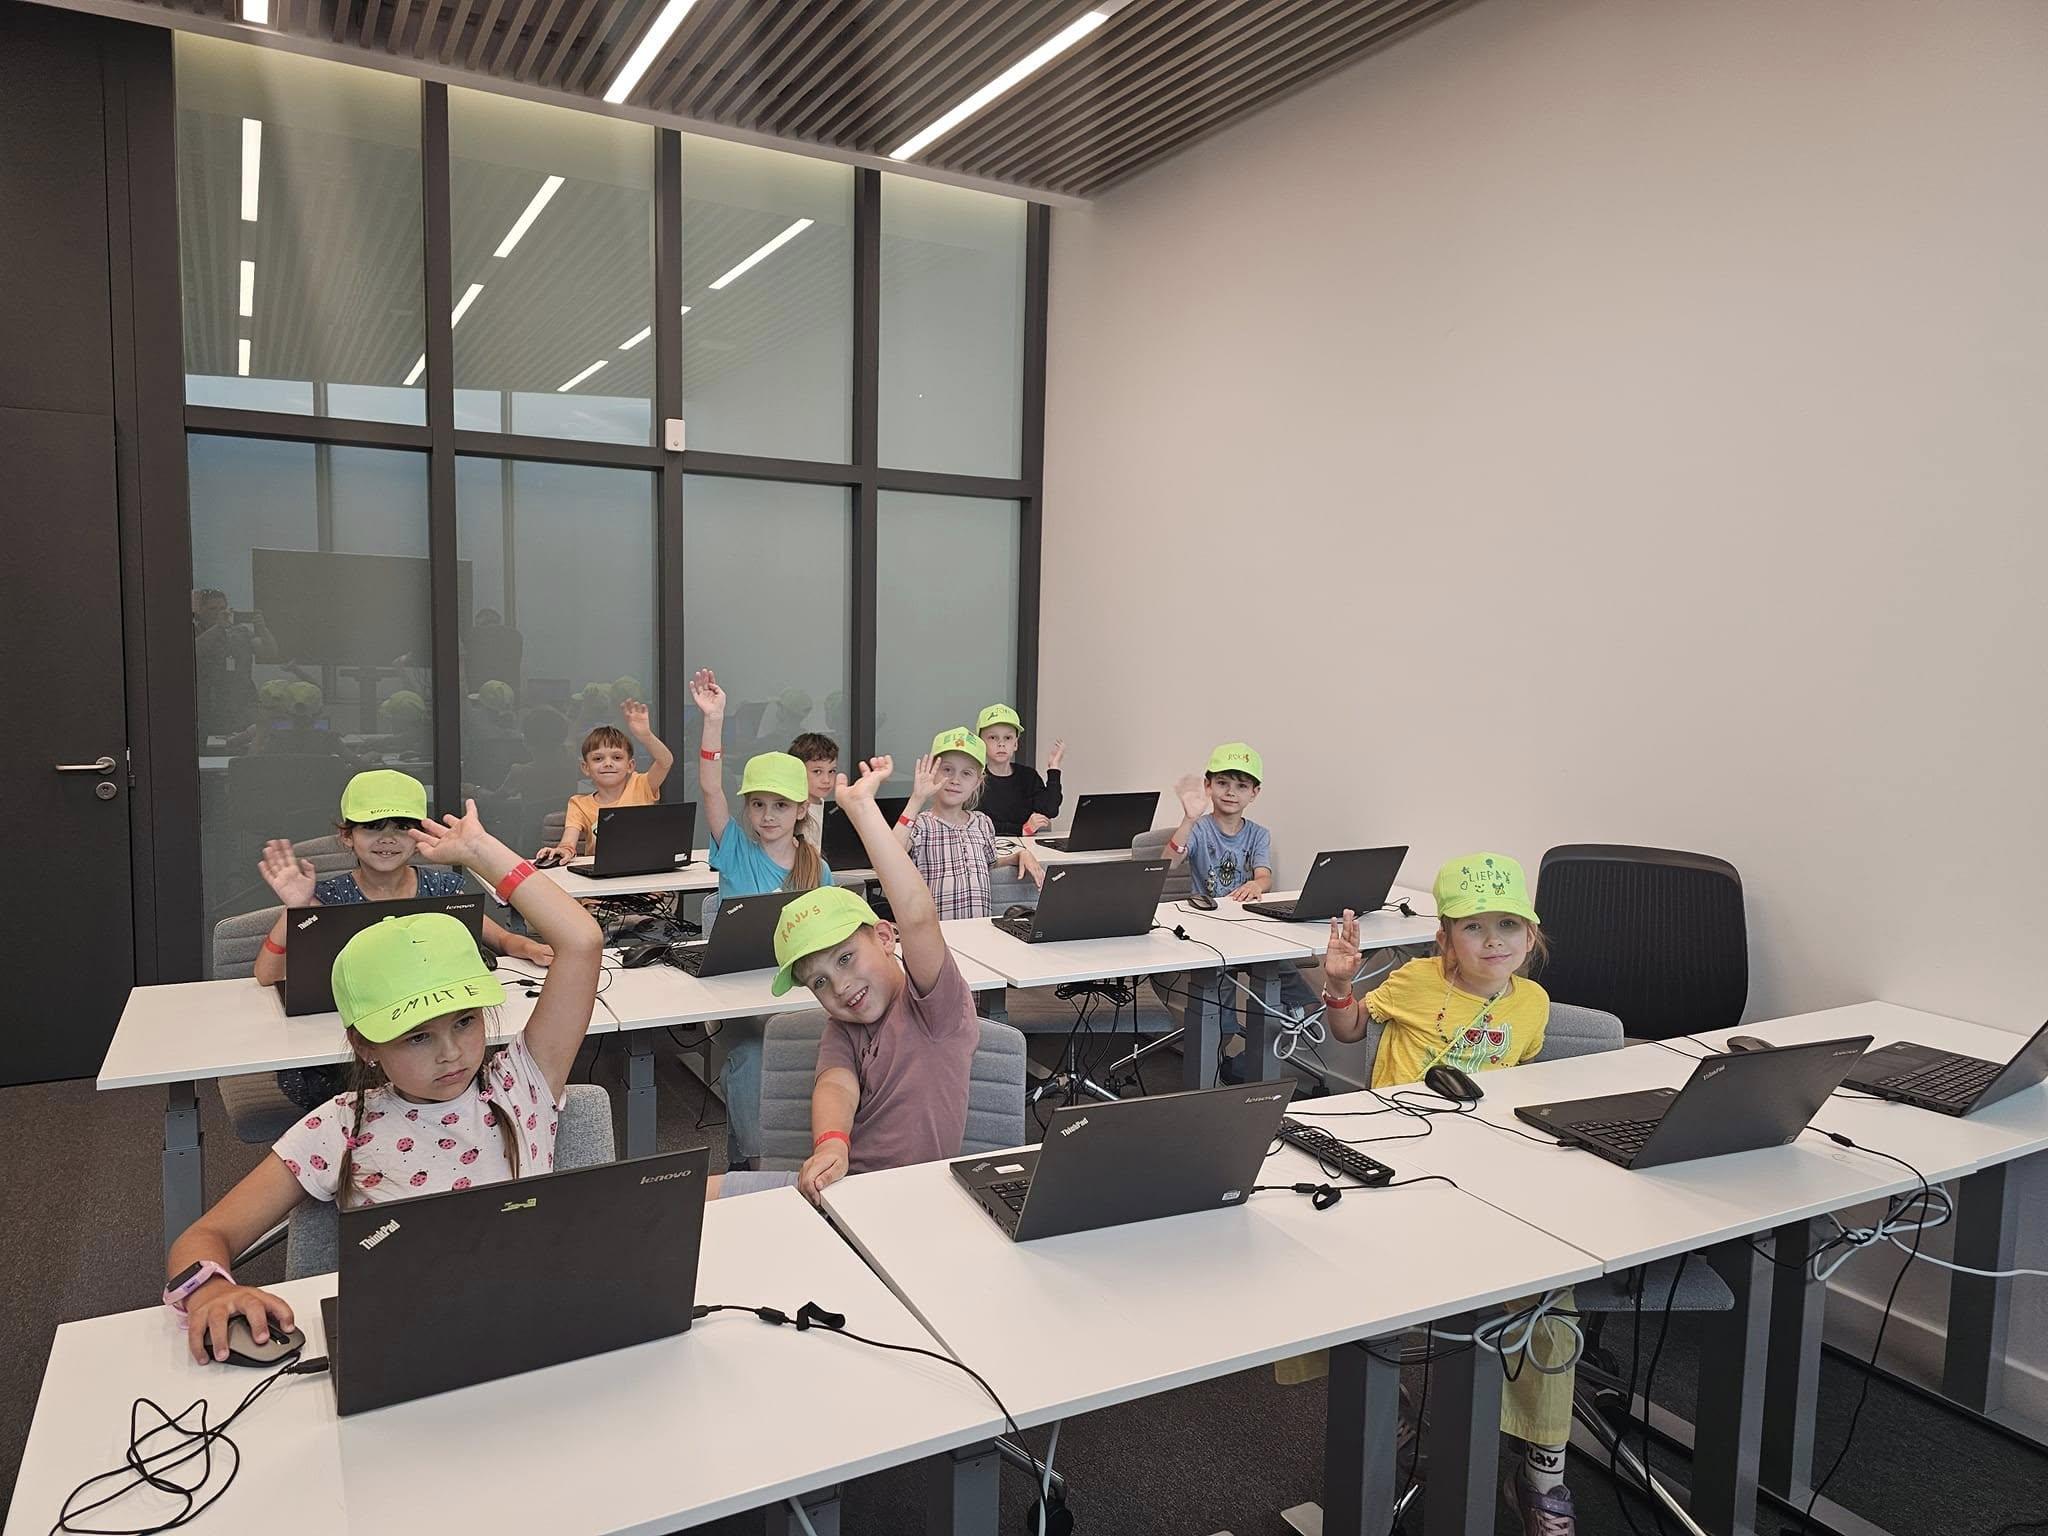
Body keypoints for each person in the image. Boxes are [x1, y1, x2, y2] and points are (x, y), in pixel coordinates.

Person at [163, 801, 604, 1363]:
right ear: (366, 1046)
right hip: (409, 1340)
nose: (451, 1053)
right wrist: (212, 1293)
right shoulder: (338, 1126)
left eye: (465, 1022)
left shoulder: (521, 1084)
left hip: (537, 1321)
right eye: (417, 1037)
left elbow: (581, 942)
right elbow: (203, 1237)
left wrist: (480, 853)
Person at [1322, 852, 1570, 1534]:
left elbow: (1517, 1084)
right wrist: (1339, 987)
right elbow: (1350, 1030)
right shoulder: (1413, 980)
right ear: (1446, 939)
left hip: (1487, 1169)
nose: (1494, 941)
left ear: (1531, 935)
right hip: (1398, 1153)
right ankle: (1383, 1399)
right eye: (1474, 928)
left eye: (1509, 926)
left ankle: (1543, 1468)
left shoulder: (1532, 1003)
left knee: (1554, 1289)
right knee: (1326, 1270)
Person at [253, 769, 556, 1109]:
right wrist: (294, 910)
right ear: (347, 836)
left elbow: (500, 938)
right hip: (351, 1053)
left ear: (419, 835)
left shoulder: (441, 889)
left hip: (432, 1039)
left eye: (401, 827)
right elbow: (266, 974)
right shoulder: (326, 898)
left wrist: (528, 946)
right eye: (372, 827)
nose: (388, 838)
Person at [774, 756, 983, 1206]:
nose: (840, 986)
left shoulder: (935, 1006)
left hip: (909, 1202)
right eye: (820, 983)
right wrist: (831, 1144)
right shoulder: (843, 1027)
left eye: (846, 958)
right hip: (838, 1188)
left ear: (886, 938)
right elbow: (835, 1083)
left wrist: (862, 810)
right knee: (690, 1197)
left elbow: (918, 916)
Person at [690, 667, 833, 1167]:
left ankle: (828, 1149)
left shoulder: (817, 867)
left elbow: (830, 935)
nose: (767, 815)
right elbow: (711, 790)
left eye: (780, 805)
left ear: (801, 810)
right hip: (741, 999)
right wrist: (714, 721)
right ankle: (755, 1165)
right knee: (753, 1055)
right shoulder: (735, 849)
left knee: (843, 1042)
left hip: (799, 989)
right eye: (757, 805)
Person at [1160, 742, 1313, 1080]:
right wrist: (1188, 819)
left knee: (1305, 1005)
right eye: (1223, 783)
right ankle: (1211, 1077)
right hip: (1209, 932)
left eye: (1242, 785)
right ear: (1208, 785)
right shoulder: (1200, 829)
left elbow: (1264, 876)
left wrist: (1258, 884)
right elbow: (1168, 865)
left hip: (1250, 929)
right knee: (1221, 1022)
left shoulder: (1258, 834)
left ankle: (1241, 1070)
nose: (1231, 792)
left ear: (1254, 793)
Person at [895, 728, 1044, 919]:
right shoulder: (921, 824)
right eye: (947, 770)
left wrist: (1018, 855)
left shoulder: (982, 823)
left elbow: (987, 863)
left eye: (966, 773)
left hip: (978, 930)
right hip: (938, 932)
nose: (955, 780)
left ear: (977, 782)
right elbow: (890, 855)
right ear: (933, 772)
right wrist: (916, 799)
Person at [533, 697, 675, 866]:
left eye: (617, 757)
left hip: (645, 872)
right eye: (598, 758)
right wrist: (564, 850)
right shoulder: (579, 804)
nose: (608, 763)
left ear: (630, 765)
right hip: (601, 877)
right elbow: (568, 843)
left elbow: (665, 761)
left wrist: (646, 736)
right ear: (586, 768)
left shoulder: (641, 785)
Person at [192, 588, 280, 740]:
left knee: (246, 746)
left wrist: (263, 629)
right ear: (200, 611)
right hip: (208, 707)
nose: (218, 612)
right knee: (212, 748)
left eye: (222, 608)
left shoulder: (241, 632)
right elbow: (193, 651)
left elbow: (270, 653)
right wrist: (218, 627)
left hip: (243, 704)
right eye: (212, 609)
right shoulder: (196, 631)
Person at [974, 704, 1065, 837]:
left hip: (1027, 845)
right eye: (993, 737)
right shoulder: (974, 780)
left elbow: (1050, 810)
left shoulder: (1028, 776)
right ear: (981, 743)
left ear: (1016, 744)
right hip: (987, 845)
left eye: (1008, 738)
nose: (1001, 744)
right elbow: (973, 822)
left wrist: (1054, 768)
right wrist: (1022, 829)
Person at [788, 731, 840, 848]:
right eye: (817, 771)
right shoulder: (790, 812)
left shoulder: (831, 809)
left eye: (831, 771)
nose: (826, 780)